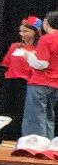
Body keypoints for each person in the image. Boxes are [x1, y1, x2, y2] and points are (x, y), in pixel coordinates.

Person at [0, 15, 40, 139]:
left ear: (35, 32)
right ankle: (1, 139)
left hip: (26, 84)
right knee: (4, 112)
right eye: (21, 31)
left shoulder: (39, 48)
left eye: (26, 31)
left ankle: (18, 139)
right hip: (9, 83)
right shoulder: (15, 46)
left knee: (21, 113)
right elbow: (4, 65)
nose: (22, 34)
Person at [20, 9, 58, 139]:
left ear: (47, 22)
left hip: (40, 82)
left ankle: (34, 147)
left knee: (34, 117)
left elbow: (41, 64)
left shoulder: (46, 39)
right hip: (55, 84)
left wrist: (28, 57)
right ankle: (47, 144)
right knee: (48, 116)